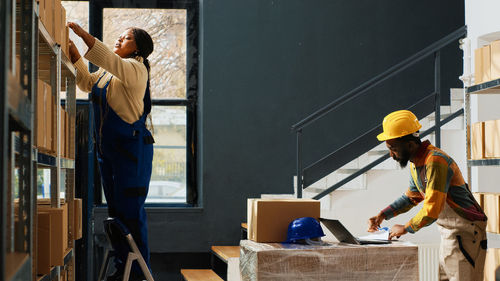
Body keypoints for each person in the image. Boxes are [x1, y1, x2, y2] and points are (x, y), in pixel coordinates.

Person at [67, 22, 155, 281]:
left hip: (132, 154)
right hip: (111, 153)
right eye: (119, 37)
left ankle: (139, 273)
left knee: (130, 213)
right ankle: (123, 267)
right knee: (116, 214)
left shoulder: (136, 69)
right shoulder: (108, 75)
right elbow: (86, 83)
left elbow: (109, 61)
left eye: (126, 38)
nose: (118, 40)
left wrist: (84, 36)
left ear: (138, 48)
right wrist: (74, 54)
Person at [367, 110, 487, 281]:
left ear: (409, 144)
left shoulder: (435, 161)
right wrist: (383, 215)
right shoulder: (416, 163)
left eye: (393, 149)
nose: (391, 155)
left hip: (466, 233)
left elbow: (432, 209)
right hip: (451, 235)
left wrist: (406, 227)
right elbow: (412, 197)